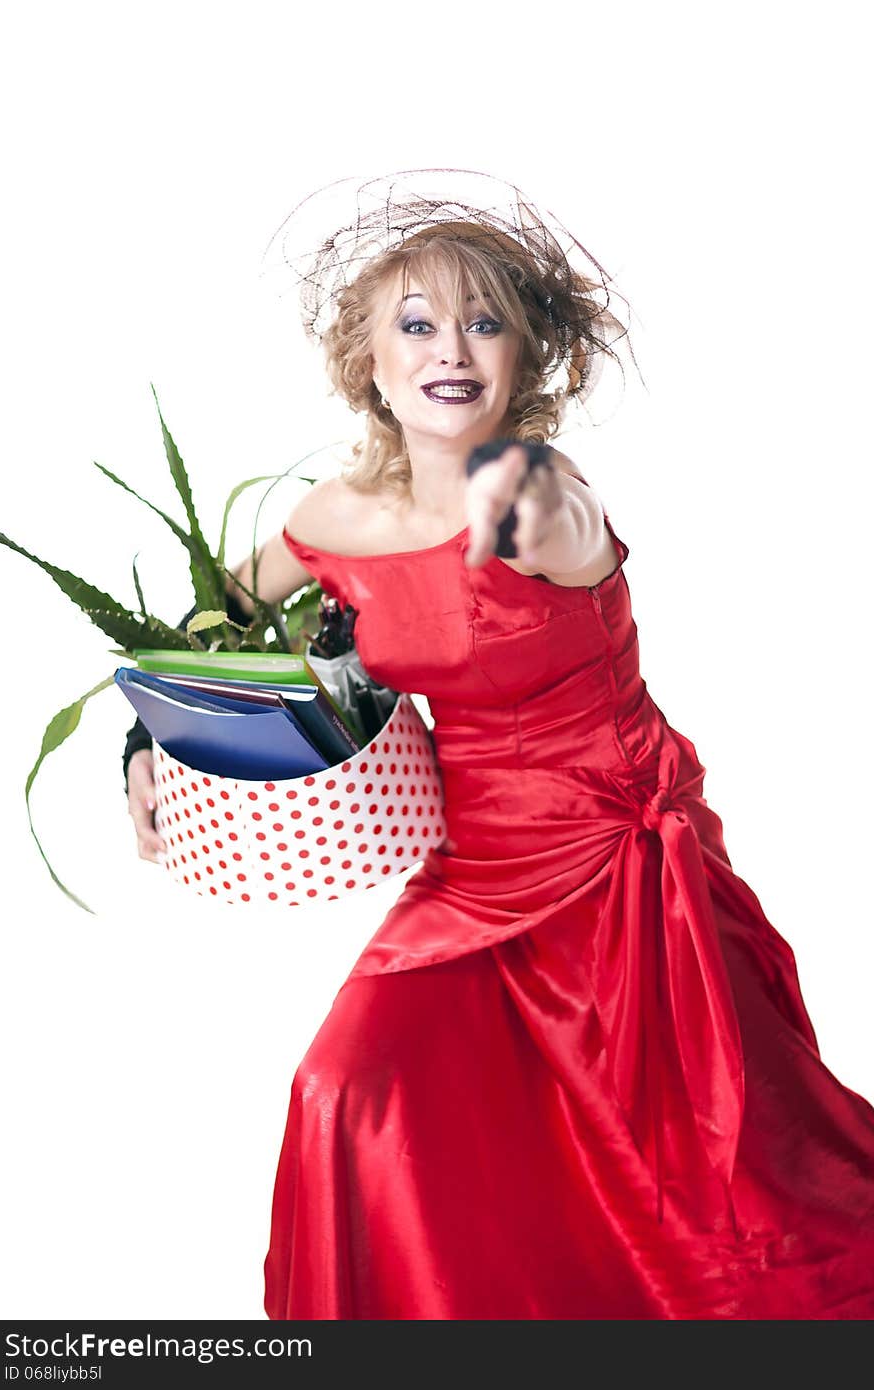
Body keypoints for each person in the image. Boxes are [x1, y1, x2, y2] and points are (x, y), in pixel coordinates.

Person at [124, 178, 874, 1319]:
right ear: (367, 365)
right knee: (348, 1086)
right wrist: (143, 742)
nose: (451, 348)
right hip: (469, 870)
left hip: (621, 870)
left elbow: (568, 540)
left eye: (485, 323)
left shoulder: (544, 491)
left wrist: (525, 503)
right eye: (416, 324)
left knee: (713, 1182)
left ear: (525, 357)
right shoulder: (332, 521)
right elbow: (208, 631)